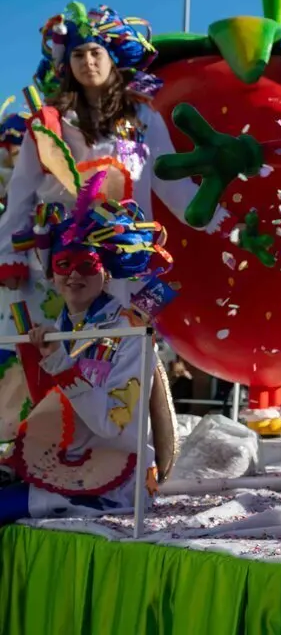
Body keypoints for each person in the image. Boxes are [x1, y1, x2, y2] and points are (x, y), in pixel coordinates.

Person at [0, 3, 252, 440]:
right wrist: (8, 257)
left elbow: (172, 188)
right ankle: (34, 453)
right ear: (66, 63)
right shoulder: (48, 123)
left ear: (114, 57)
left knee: (121, 353)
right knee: (41, 351)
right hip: (54, 267)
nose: (88, 62)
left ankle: (122, 458)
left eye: (96, 52)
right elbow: (20, 197)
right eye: (79, 54)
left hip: (124, 264)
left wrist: (230, 226)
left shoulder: (143, 118)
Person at [0, 178, 169, 524]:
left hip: (111, 484)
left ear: (106, 273)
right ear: (51, 273)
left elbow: (111, 425)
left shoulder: (130, 333)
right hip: (54, 464)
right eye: (64, 264)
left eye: (86, 265)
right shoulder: (58, 329)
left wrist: (61, 365)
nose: (74, 275)